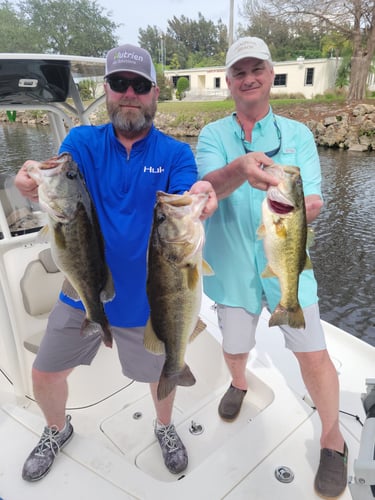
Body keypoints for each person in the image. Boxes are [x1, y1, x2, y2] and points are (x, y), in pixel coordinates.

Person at [16, 43, 217, 482]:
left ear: (154, 93)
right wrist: (32, 177)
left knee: (162, 371)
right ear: (106, 89)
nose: (129, 93)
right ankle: (56, 428)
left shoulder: (175, 154)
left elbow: (189, 191)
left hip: (151, 298)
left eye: (139, 85)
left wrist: (200, 198)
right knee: (46, 372)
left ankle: (164, 426)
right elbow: (54, 175)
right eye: (120, 83)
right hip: (82, 289)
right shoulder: (82, 142)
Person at [195, 37, 347, 499]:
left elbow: (315, 198)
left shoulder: (299, 136)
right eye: (239, 72)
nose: (249, 78)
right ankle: (239, 384)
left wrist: (303, 204)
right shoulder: (210, 136)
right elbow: (207, 191)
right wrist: (241, 169)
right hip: (230, 269)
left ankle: (332, 438)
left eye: (256, 68)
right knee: (237, 346)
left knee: (313, 353)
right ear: (229, 82)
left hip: (289, 264)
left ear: (270, 72)